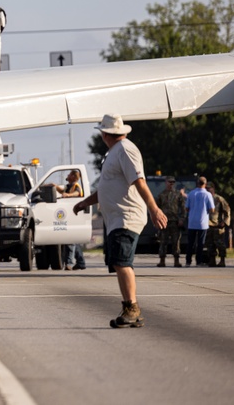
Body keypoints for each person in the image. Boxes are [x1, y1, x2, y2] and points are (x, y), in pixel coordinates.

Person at [73, 114, 166, 329]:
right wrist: (83, 203)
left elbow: (139, 182)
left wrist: (154, 209)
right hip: (117, 218)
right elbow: (105, 188)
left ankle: (132, 308)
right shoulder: (115, 152)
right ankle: (130, 309)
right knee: (118, 262)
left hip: (127, 216)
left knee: (122, 262)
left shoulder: (125, 149)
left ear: (105, 134)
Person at [58, 170, 87, 270]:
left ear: (74, 177)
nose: (67, 175)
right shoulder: (68, 186)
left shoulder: (76, 186)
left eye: (70, 174)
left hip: (74, 215)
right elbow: (61, 191)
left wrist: (68, 195)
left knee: (70, 240)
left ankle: (69, 263)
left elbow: (77, 194)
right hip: (69, 215)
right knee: (74, 240)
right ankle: (81, 262)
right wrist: (54, 186)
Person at [184, 177, 214, 267]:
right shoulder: (208, 195)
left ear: (197, 183)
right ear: (205, 184)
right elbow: (212, 209)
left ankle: (188, 261)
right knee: (200, 243)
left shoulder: (191, 193)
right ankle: (198, 261)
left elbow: (186, 208)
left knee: (190, 243)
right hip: (203, 223)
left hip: (192, 222)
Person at [155, 177, 185, 267]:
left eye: (173, 182)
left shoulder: (178, 194)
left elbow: (182, 208)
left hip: (175, 221)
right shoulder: (161, 195)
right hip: (164, 221)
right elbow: (157, 208)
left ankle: (176, 260)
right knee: (163, 241)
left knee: (176, 241)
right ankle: (162, 260)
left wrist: (181, 218)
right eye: (169, 182)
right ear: (166, 183)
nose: (171, 184)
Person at [205, 183, 231, 267]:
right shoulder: (205, 199)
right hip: (208, 225)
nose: (207, 189)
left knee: (220, 244)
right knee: (210, 244)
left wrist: (225, 221)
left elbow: (227, 210)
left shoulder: (219, 199)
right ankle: (212, 260)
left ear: (213, 188)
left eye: (209, 188)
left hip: (217, 225)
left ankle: (222, 260)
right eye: (206, 188)